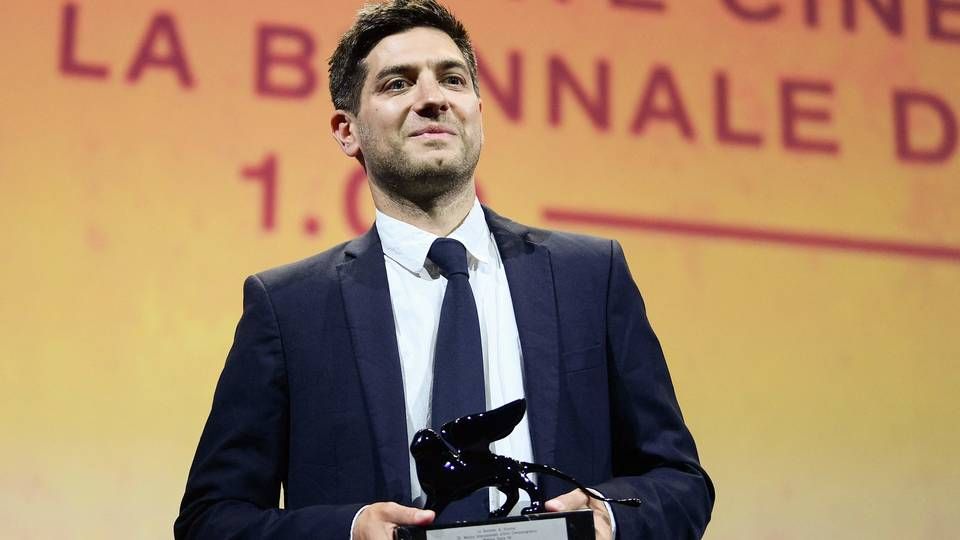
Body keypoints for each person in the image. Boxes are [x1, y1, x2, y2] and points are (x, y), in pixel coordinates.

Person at [175, 1, 714, 538]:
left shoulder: (590, 278)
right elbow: (211, 518)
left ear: (478, 110)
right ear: (347, 131)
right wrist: (348, 530)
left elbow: (680, 481)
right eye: (396, 84)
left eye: (452, 79)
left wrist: (611, 516)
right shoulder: (288, 307)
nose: (432, 99)